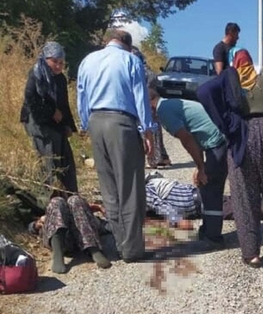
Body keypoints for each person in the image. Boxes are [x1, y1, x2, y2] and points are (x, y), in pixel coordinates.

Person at [197, 48, 263, 267]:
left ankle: (252, 254)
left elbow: (204, 91)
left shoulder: (229, 78)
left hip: (241, 135)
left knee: (244, 195)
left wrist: (225, 121)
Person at [77, 29, 155, 263]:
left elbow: (81, 96)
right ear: (128, 45)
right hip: (121, 122)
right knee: (130, 188)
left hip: (95, 122)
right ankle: (132, 250)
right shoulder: (131, 60)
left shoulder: (87, 60)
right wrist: (147, 130)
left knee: (109, 188)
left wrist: (85, 124)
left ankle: (120, 244)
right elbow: (140, 96)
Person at [148, 89, 228, 247]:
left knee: (211, 188)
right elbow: (194, 135)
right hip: (216, 140)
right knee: (207, 186)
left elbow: (187, 138)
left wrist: (201, 166)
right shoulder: (170, 104)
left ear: (149, 105)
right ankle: (208, 229)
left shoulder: (164, 111)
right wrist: (200, 166)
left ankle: (213, 238)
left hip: (217, 143)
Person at [20, 41, 78, 195]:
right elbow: (30, 99)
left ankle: (70, 197)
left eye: (61, 63)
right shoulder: (36, 73)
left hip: (55, 122)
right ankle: (52, 199)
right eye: (55, 62)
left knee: (65, 158)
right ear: (45, 59)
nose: (58, 66)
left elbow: (64, 104)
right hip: (37, 120)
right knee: (49, 158)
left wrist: (68, 125)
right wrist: (51, 112)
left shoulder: (61, 79)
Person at [28, 195, 111, 274]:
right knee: (56, 202)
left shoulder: (70, 189)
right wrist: (36, 224)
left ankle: (93, 249)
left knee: (75, 200)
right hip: (58, 236)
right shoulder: (34, 196)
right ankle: (58, 253)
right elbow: (30, 226)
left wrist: (94, 209)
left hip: (81, 234)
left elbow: (107, 225)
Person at [131, 46, 172, 169]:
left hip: (145, 103)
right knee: (156, 130)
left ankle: (153, 159)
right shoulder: (150, 72)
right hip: (153, 102)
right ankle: (162, 157)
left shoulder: (139, 72)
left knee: (146, 132)